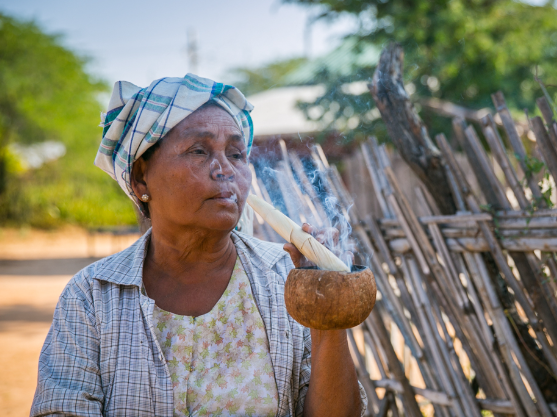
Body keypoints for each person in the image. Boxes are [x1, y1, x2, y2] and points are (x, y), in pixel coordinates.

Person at [31, 74, 366, 417]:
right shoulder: (93, 296)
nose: (225, 171)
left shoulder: (287, 281)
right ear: (140, 178)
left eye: (236, 154)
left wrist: (325, 319)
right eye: (199, 151)